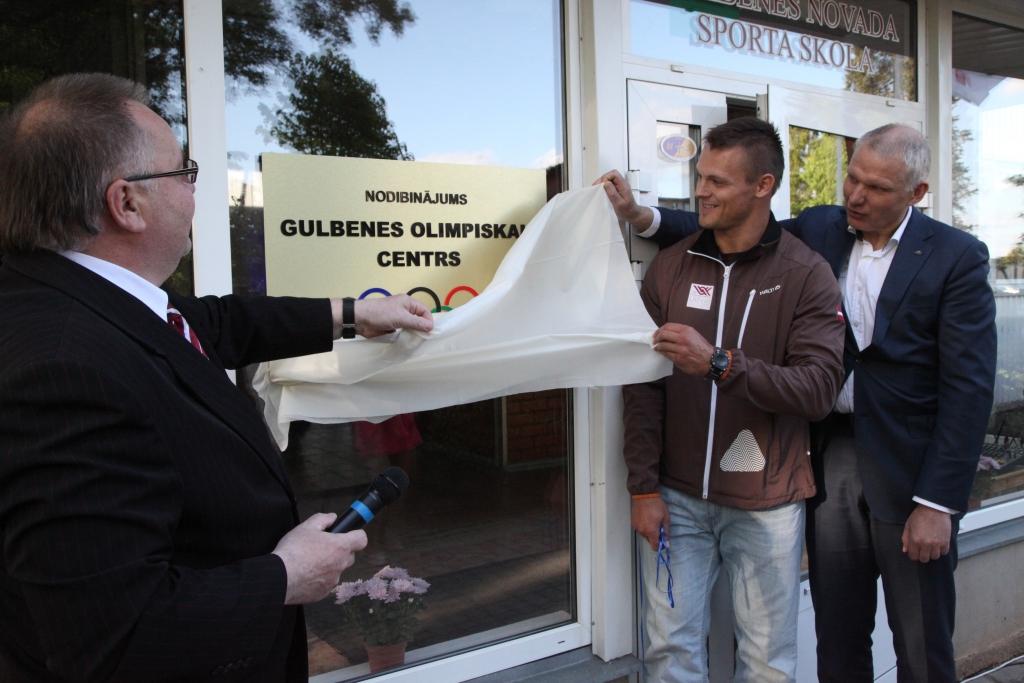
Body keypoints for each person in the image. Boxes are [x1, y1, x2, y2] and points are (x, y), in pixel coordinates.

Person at [0, 73, 434, 682]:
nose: (194, 189)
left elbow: (214, 320)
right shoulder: (64, 370)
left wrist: (352, 313)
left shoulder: (75, 297)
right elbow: (111, 635)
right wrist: (283, 577)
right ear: (127, 203)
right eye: (183, 171)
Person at [601, 122, 997, 682]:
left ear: (917, 194)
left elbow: (969, 387)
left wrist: (938, 502)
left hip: (913, 467)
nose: (856, 197)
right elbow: (734, 225)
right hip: (832, 456)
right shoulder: (823, 227)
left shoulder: (956, 256)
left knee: (920, 639)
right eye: (852, 179)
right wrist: (646, 220)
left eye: (877, 189)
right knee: (838, 634)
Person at [616, 117, 845, 682]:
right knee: (671, 651)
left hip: (766, 505)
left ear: (762, 186)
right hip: (677, 501)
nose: (701, 191)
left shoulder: (806, 274)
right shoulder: (672, 266)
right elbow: (641, 387)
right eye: (700, 177)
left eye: (717, 181)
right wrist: (644, 486)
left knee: (767, 660)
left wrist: (719, 364)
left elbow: (818, 389)